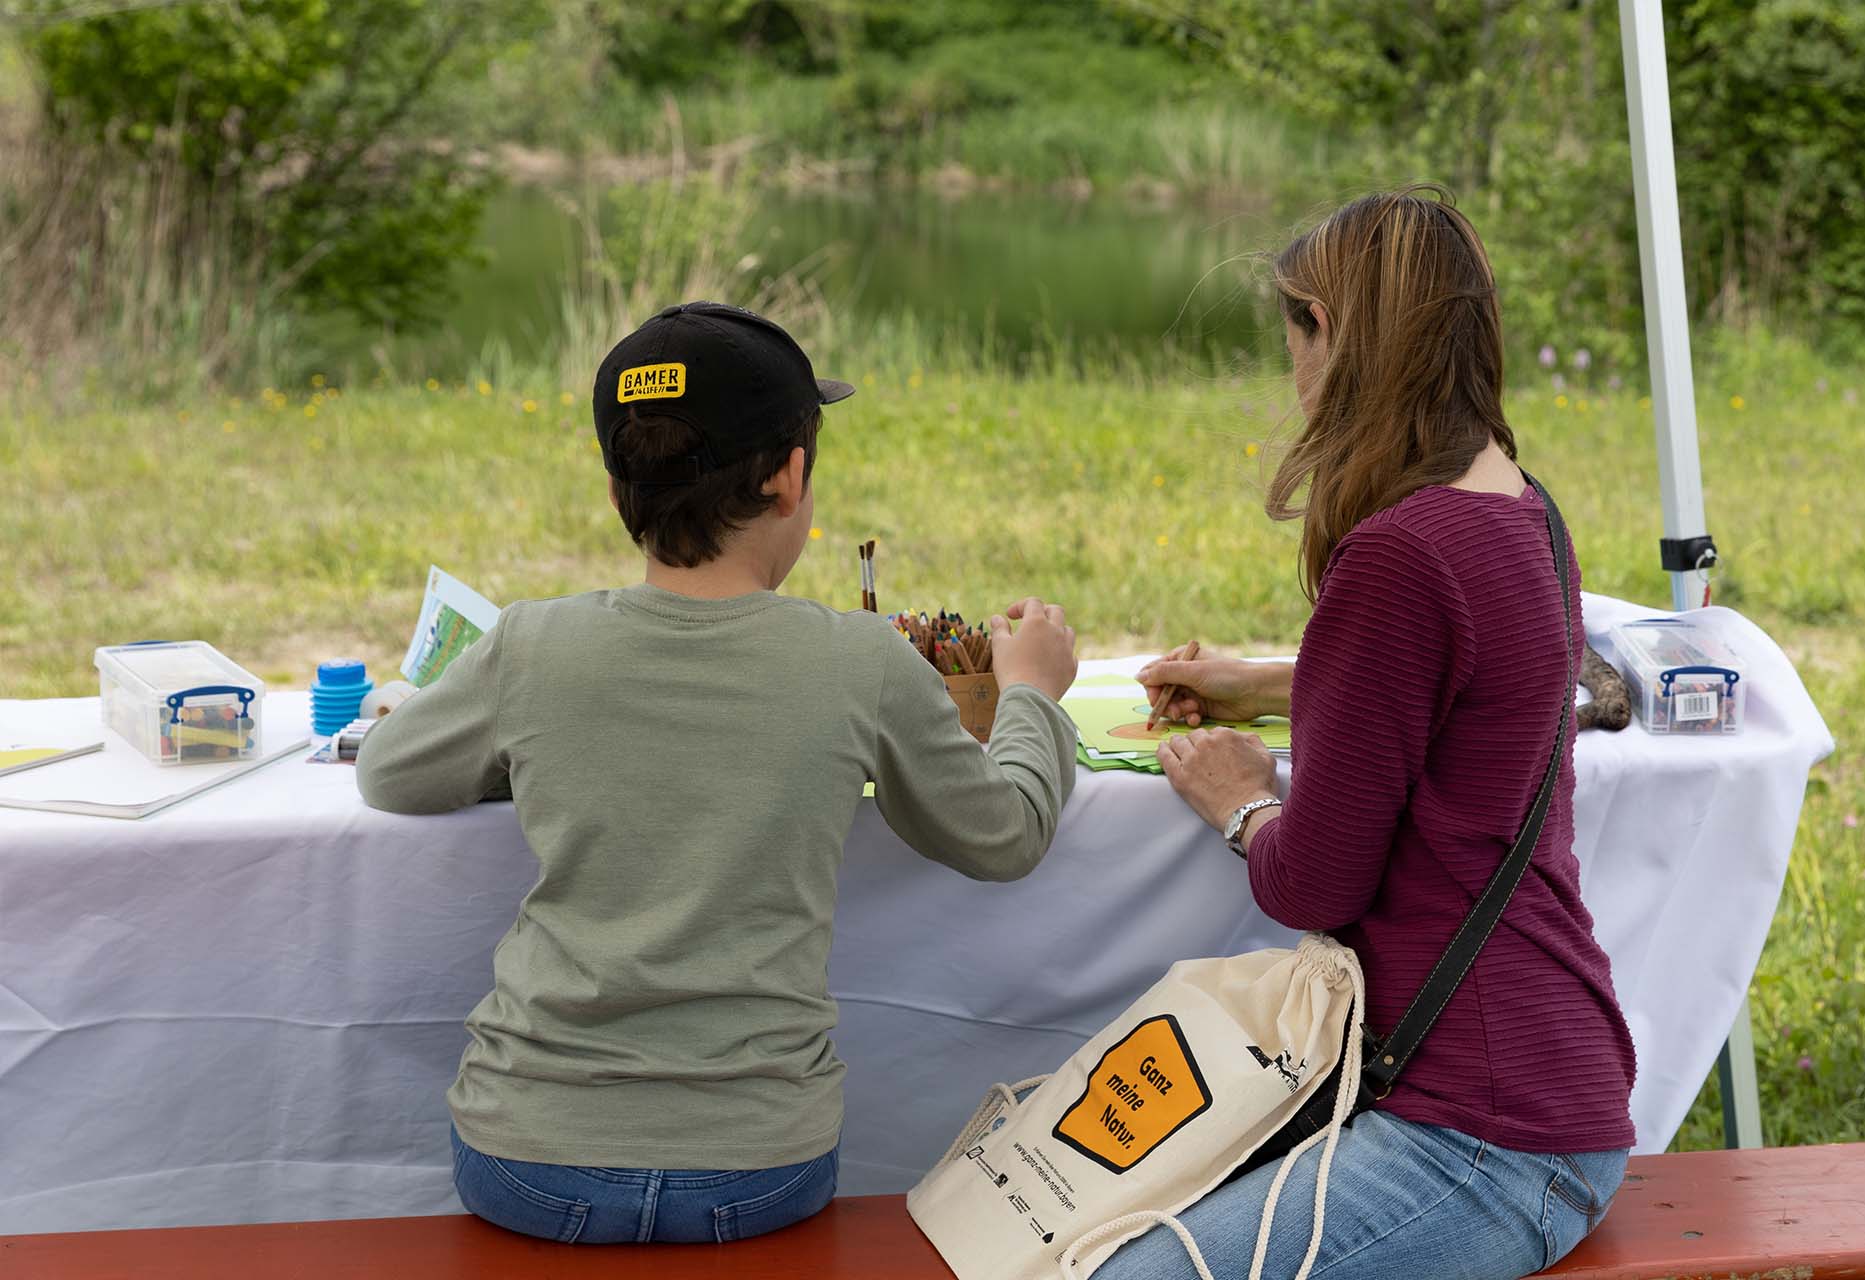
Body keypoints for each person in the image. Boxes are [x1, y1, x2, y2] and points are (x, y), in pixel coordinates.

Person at [354, 301, 1081, 1245]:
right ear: (790, 478)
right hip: (759, 1165)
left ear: (620, 494)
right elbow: (1006, 835)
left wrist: (537, 754)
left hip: (526, 1158)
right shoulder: (861, 662)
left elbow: (389, 772)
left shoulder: (533, 645)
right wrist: (1031, 691)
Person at [1104, 190, 1636, 1278]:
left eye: (1295, 332)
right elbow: (1471, 690)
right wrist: (1267, 683)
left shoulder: (1401, 553)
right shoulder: (1525, 510)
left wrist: (1240, 797)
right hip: (1546, 1076)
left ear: (1340, 337)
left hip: (1484, 1133)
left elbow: (1312, 882)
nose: (1292, 373)